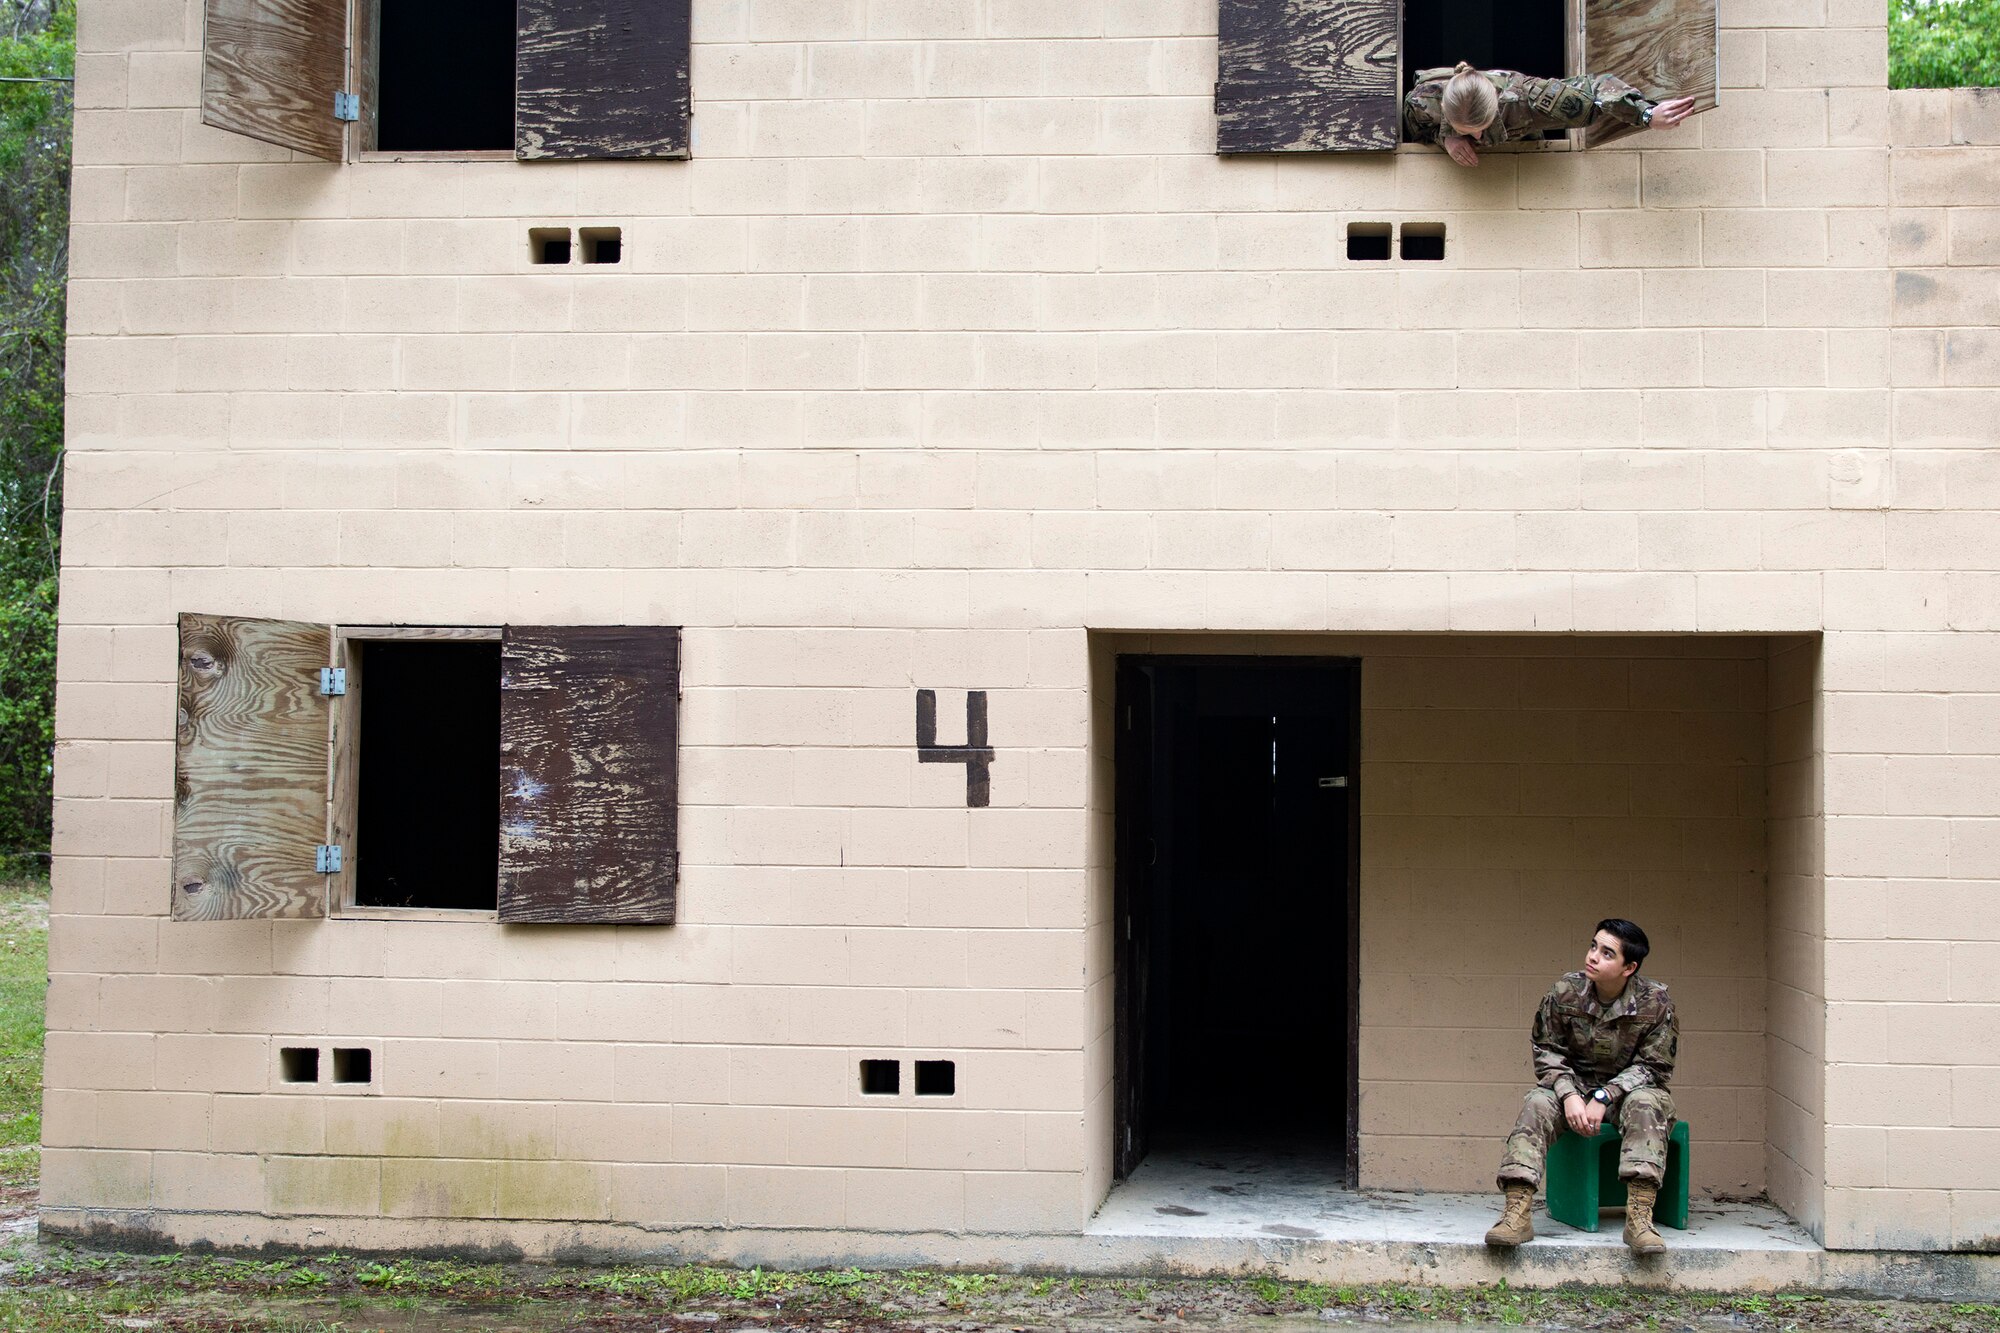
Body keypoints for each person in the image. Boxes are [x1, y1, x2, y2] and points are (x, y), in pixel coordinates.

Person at [1484, 918, 1678, 1255]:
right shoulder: (1564, 992)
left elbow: (1655, 1066)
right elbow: (1546, 1050)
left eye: (1606, 953)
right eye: (1593, 947)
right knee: (1537, 1103)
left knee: (1649, 1101)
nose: (1592, 956)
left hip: (1625, 1095)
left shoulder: (1655, 1002)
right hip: (1569, 1092)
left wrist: (1605, 1095)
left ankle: (1639, 1217)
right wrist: (1569, 1093)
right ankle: (1516, 1213)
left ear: (1628, 967)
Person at [1405, 62, 1697, 167]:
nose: (1477, 137)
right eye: (1467, 130)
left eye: (1482, 127)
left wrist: (1646, 114)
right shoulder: (1422, 103)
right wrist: (1448, 140)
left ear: (1496, 105)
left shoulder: (1529, 97)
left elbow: (1597, 87)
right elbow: (1416, 131)